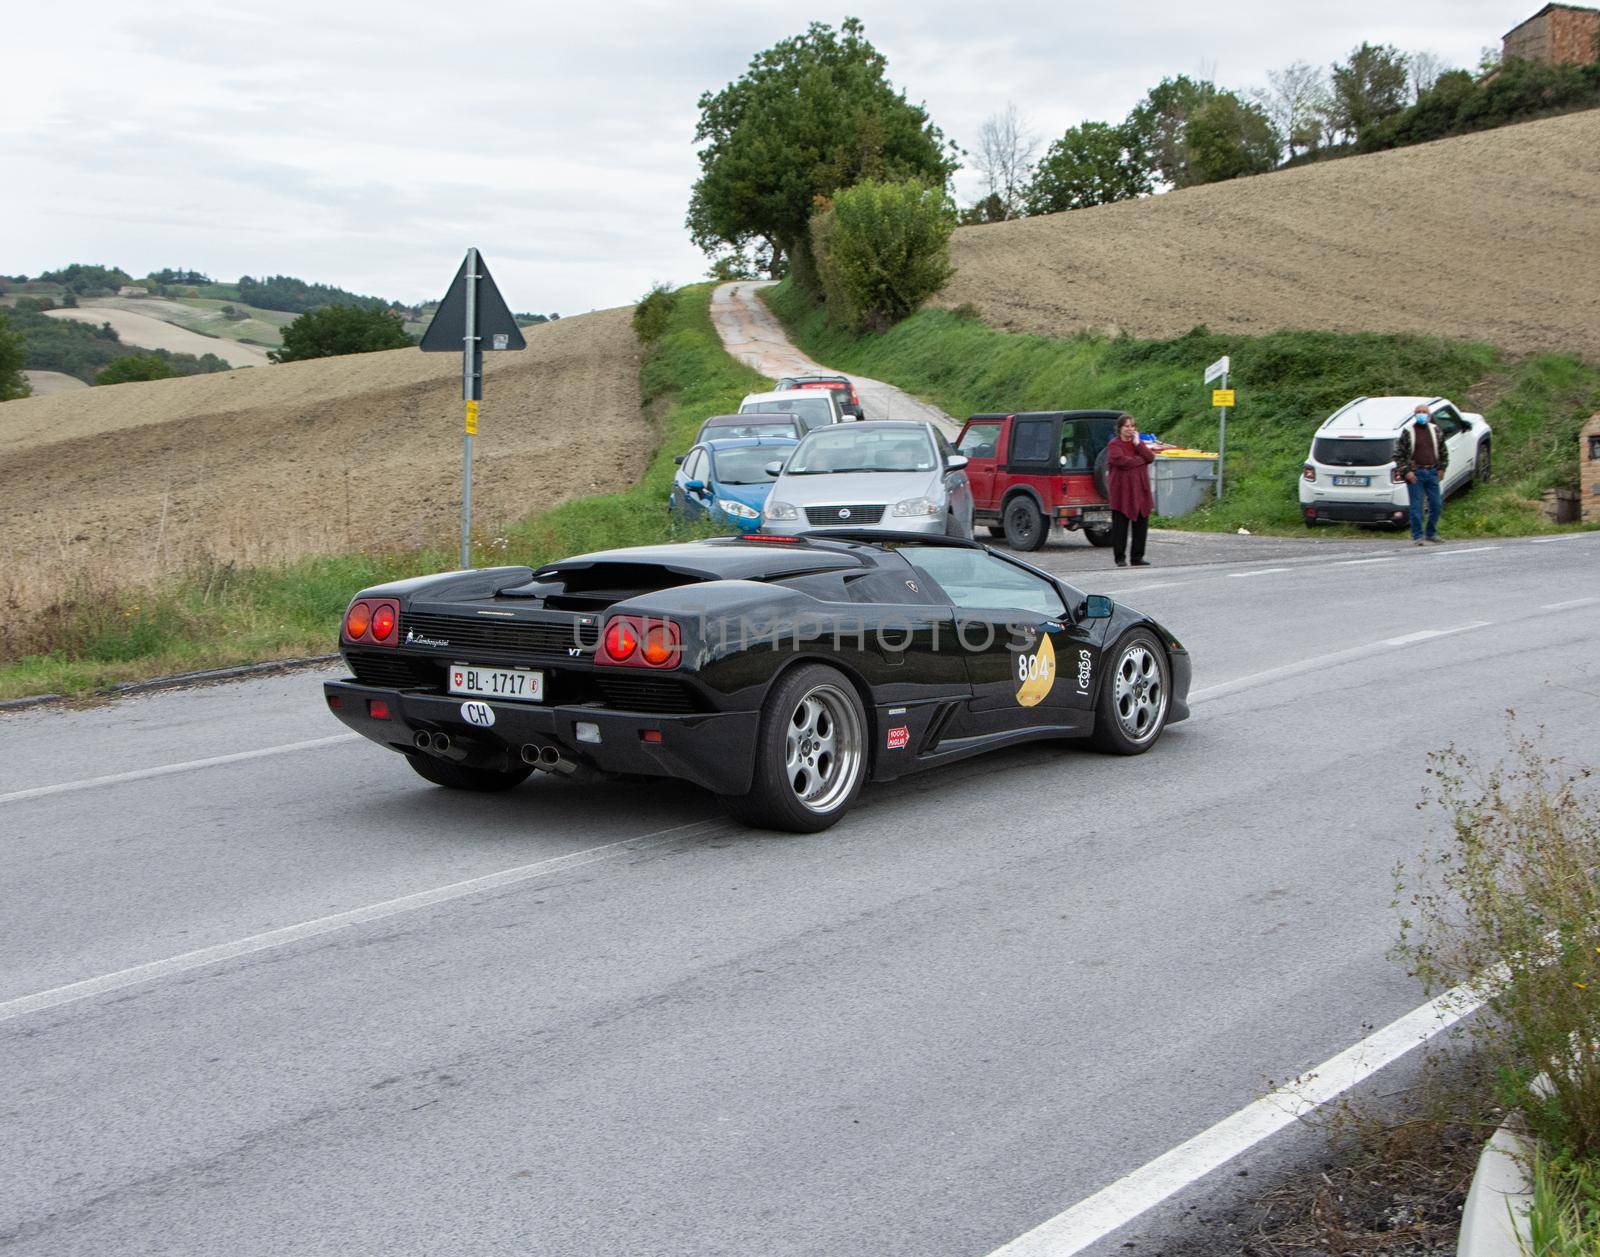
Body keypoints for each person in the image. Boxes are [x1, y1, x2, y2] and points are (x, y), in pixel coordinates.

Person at [1394, 403, 1449, 545]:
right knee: (1416, 506)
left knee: (1436, 504)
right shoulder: (1408, 431)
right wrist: (1406, 472)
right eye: (1418, 412)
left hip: (1432, 472)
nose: (1421, 414)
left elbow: (1443, 451)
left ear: (1429, 415)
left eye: (1424, 412)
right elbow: (1398, 455)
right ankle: (1417, 535)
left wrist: (1442, 468)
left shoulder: (1435, 430)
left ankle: (1431, 532)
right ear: (1414, 414)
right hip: (1415, 473)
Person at [1105, 414, 1155, 567]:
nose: (1130, 429)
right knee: (1120, 527)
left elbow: (1150, 457)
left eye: (1132, 426)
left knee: (1141, 525)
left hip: (1140, 491)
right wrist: (1140, 461)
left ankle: (1137, 557)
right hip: (1122, 492)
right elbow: (1121, 461)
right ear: (1120, 428)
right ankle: (1120, 558)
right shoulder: (1114, 444)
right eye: (1127, 426)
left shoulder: (1137, 444)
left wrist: (1138, 444)